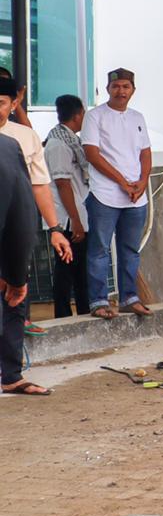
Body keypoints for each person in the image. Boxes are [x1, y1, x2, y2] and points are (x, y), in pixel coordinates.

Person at [0, 78, 72, 396]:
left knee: (14, 299)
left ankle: (12, 373)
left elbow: (37, 187)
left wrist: (55, 228)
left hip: (12, 227)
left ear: (14, 103)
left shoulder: (20, 139)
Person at [81, 68, 151, 319]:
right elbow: (91, 153)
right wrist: (122, 182)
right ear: (108, 88)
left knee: (130, 249)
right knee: (99, 249)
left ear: (133, 89)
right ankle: (99, 301)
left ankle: (129, 297)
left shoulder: (137, 117)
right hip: (105, 193)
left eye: (125, 86)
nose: (121, 91)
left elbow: (145, 153)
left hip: (135, 196)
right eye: (116, 86)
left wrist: (142, 181)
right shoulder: (95, 116)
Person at [0, 137, 42, 395]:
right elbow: (23, 218)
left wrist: (15, 276)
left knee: (13, 297)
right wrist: (16, 276)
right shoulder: (7, 147)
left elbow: (22, 213)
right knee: (14, 295)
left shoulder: (7, 147)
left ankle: (12, 374)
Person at [44, 95, 91, 317]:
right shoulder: (58, 143)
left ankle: (83, 310)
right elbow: (63, 184)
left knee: (80, 269)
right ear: (78, 114)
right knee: (66, 269)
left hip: (76, 213)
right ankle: (62, 315)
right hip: (67, 218)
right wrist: (77, 221)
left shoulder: (71, 140)